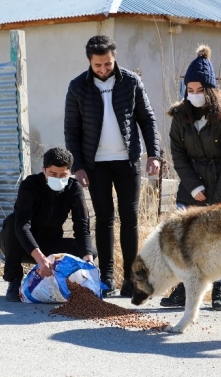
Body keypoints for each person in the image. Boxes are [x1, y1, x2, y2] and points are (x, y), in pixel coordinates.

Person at [64, 35, 161, 297]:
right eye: (98, 65)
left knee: (129, 219)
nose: (104, 69)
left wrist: (154, 154)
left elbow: (147, 119)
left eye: (108, 64)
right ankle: (106, 278)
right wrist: (78, 166)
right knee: (104, 218)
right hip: (95, 165)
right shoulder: (77, 87)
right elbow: (71, 130)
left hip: (127, 162)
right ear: (89, 62)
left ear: (114, 58)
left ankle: (131, 279)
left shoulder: (131, 81)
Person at [160, 44, 221, 310]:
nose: (194, 95)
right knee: (185, 239)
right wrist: (193, 186)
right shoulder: (179, 116)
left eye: (199, 90)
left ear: (210, 90)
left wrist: (219, 200)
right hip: (191, 188)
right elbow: (178, 154)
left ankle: (219, 289)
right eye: (190, 89)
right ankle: (183, 289)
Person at [0, 147, 96, 302]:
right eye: (53, 174)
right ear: (43, 170)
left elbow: (82, 227)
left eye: (63, 175)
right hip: (21, 245)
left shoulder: (74, 188)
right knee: (12, 222)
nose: (58, 178)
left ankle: (64, 284)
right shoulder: (30, 185)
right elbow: (22, 225)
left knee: (89, 250)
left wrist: (88, 263)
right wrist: (40, 259)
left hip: (51, 245)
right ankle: (14, 281)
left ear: (69, 172)